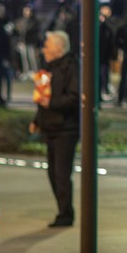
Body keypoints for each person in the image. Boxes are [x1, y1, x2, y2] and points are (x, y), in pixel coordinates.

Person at [31, 29, 80, 227]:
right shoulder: (49, 68)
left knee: (61, 174)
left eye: (47, 46)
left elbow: (74, 97)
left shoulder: (71, 67)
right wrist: (37, 120)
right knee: (52, 173)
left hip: (66, 129)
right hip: (51, 126)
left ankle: (66, 214)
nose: (44, 50)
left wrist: (51, 104)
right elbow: (42, 98)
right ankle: (63, 210)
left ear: (59, 49)